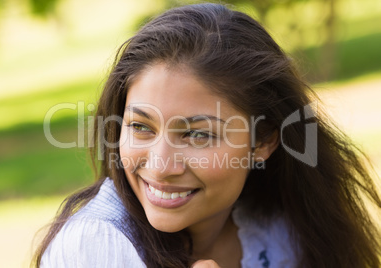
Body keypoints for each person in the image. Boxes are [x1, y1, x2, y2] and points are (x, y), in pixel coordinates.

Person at [33, 3, 381, 268]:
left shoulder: (284, 225)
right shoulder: (96, 245)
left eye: (198, 135)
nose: (161, 165)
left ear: (263, 142)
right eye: (140, 127)